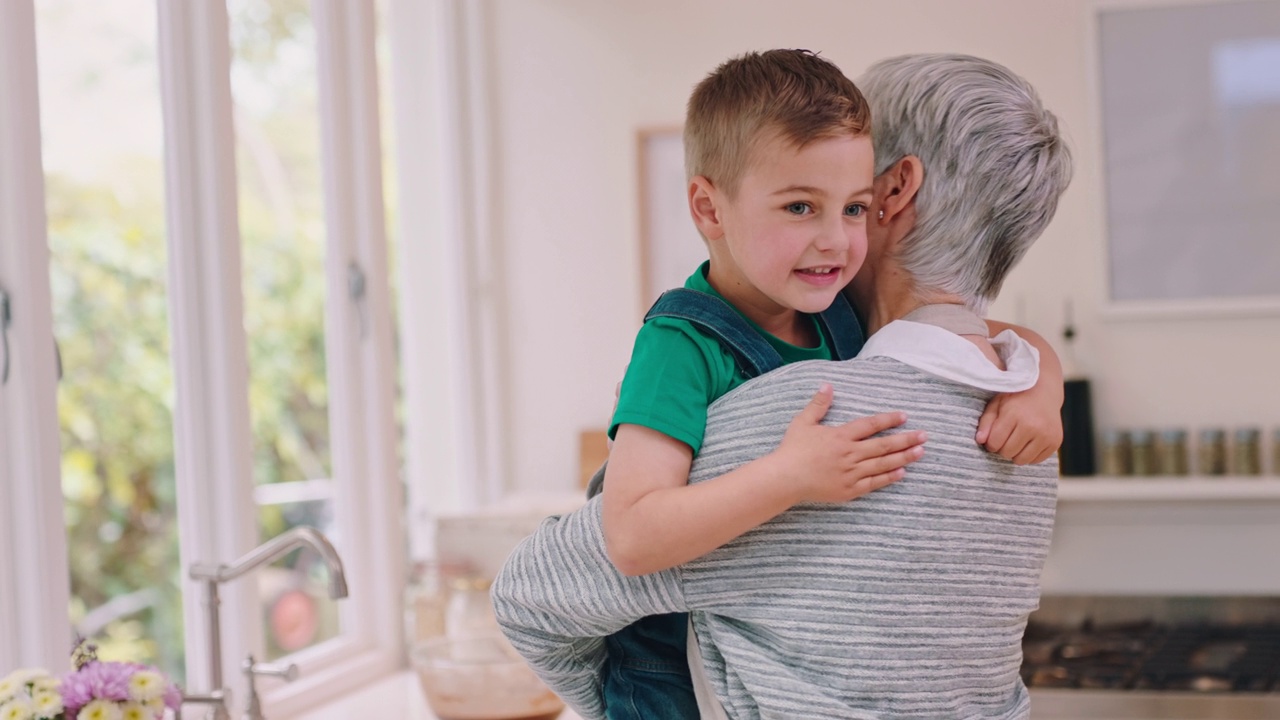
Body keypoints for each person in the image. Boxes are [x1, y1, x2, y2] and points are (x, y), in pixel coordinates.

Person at [492, 52, 1072, 720]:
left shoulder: (818, 411)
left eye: (852, 205)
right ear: (711, 207)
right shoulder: (1021, 435)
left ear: (890, 194)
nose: (832, 237)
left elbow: (530, 597)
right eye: (800, 204)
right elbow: (634, 533)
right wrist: (1038, 376)